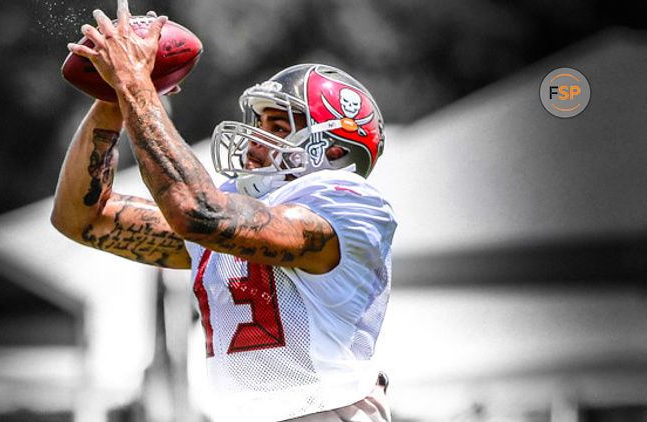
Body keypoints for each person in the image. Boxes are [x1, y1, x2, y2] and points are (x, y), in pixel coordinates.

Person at [51, 1, 397, 421]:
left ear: (335, 151)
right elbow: (83, 217)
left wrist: (134, 85)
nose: (255, 138)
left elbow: (197, 211)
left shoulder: (347, 204)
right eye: (260, 120)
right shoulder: (235, 214)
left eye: (279, 126)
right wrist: (112, 99)